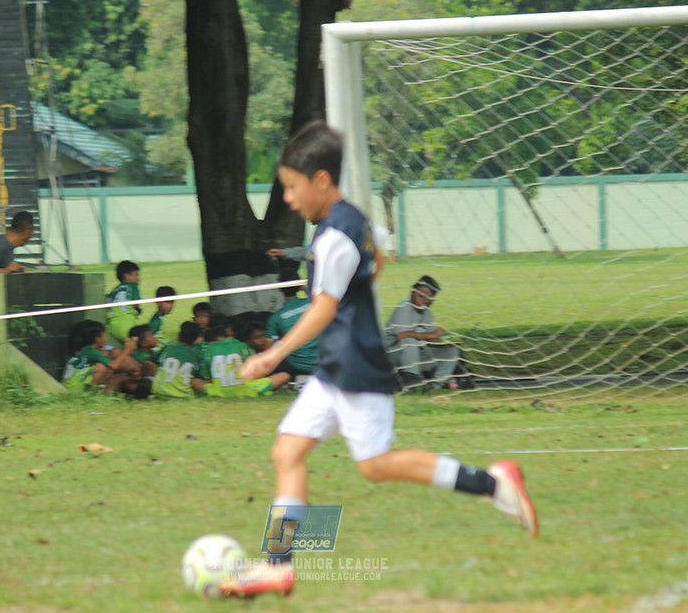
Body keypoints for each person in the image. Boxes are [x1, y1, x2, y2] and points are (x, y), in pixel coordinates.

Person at [222, 121, 537, 597]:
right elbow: (379, 261)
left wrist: (273, 355)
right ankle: (278, 564)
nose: (287, 199)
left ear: (321, 180)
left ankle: (492, 484)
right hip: (336, 365)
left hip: (355, 366)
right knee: (288, 450)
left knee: (375, 465)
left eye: (291, 187)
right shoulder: (354, 219)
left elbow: (324, 307)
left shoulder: (332, 240)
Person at [384, 275, 461, 390]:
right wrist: (431, 335)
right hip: (390, 356)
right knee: (409, 340)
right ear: (412, 293)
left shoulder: (427, 313)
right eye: (420, 296)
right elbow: (403, 335)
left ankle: (435, 386)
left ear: (432, 299)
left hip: (414, 358)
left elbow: (429, 340)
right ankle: (412, 380)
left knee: (452, 351)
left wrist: (444, 341)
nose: (423, 300)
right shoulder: (405, 307)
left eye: (427, 297)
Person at [199, 317, 289, 398]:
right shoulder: (244, 347)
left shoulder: (209, 349)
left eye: (264, 336)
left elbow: (208, 377)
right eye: (258, 338)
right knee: (285, 375)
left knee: (195, 381)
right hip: (246, 388)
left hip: (219, 390)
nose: (263, 340)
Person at [62, 320, 141, 395]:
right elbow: (113, 366)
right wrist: (127, 350)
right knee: (102, 367)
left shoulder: (86, 351)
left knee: (121, 376)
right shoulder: (92, 351)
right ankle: (90, 394)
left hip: (73, 386)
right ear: (97, 339)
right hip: (76, 389)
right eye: (104, 336)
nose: (106, 339)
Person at [265, 279, 318, 381]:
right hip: (323, 362)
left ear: (280, 289)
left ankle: (290, 381)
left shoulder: (276, 317)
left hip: (297, 367)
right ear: (301, 286)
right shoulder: (315, 304)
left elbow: (268, 349)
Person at [151, 321, 207, 398]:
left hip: (159, 392)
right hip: (181, 395)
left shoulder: (168, 348)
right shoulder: (196, 355)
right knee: (196, 380)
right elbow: (200, 376)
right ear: (196, 341)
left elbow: (154, 358)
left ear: (178, 336)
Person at [105, 260, 142, 343]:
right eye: (136, 276)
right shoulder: (133, 286)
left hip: (112, 327)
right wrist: (138, 309)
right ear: (126, 276)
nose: (138, 280)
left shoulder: (114, 290)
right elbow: (135, 303)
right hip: (127, 326)